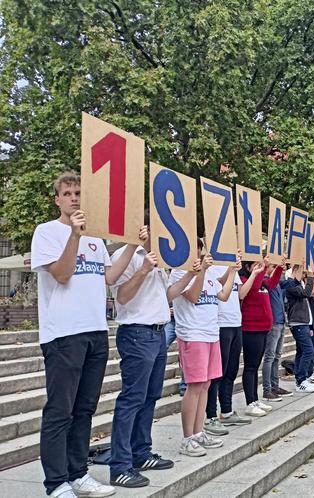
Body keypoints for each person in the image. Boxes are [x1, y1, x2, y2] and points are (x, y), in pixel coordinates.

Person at [31, 171, 140, 498]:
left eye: (79, 192)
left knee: (85, 409)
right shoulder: (47, 232)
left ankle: (78, 474)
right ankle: (55, 483)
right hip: (63, 333)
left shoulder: (95, 238)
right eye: (68, 193)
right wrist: (74, 236)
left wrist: (133, 245)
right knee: (59, 411)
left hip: (95, 331)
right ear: (58, 199)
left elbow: (108, 276)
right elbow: (62, 274)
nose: (75, 198)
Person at [108, 220, 174, 488]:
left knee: (150, 397)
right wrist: (144, 270)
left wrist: (194, 274)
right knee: (132, 399)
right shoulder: (125, 255)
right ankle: (120, 466)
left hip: (158, 332)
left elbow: (167, 295)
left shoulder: (159, 258)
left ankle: (141, 452)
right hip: (136, 333)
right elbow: (122, 296)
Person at [167, 241, 234, 457]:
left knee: (205, 385)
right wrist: (201, 271)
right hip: (192, 335)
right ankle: (187, 438)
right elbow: (194, 296)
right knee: (194, 386)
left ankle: (198, 432)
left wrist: (232, 269)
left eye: (199, 249)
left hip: (211, 333)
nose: (199, 253)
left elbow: (222, 294)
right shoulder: (179, 273)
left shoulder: (209, 273)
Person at [204, 257, 254, 431]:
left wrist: (254, 273)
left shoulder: (231, 267)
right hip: (220, 324)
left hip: (235, 322)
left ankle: (226, 410)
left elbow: (240, 294)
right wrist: (230, 270)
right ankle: (210, 415)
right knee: (217, 373)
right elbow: (218, 285)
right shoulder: (211, 266)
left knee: (231, 371)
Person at [238, 257, 284, 416]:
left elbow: (272, 284)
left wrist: (279, 268)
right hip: (251, 328)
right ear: (248, 267)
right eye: (255, 265)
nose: (259, 267)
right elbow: (252, 288)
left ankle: (255, 399)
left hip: (264, 328)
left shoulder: (262, 281)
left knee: (255, 366)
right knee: (250, 367)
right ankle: (249, 402)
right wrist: (262, 268)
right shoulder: (245, 280)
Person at [283, 265, 314, 393]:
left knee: (302, 351)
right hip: (298, 323)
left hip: (304, 323)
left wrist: (310, 326)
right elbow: (307, 293)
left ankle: (301, 379)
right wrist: (311, 277)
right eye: (299, 271)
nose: (303, 273)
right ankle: (301, 379)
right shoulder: (290, 285)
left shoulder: (297, 284)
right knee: (308, 350)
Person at [261, 261, 289, 402]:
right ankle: (267, 389)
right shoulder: (265, 281)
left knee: (277, 356)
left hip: (281, 321)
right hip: (272, 324)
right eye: (273, 266)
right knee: (270, 356)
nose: (276, 269)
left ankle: (275, 386)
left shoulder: (277, 283)